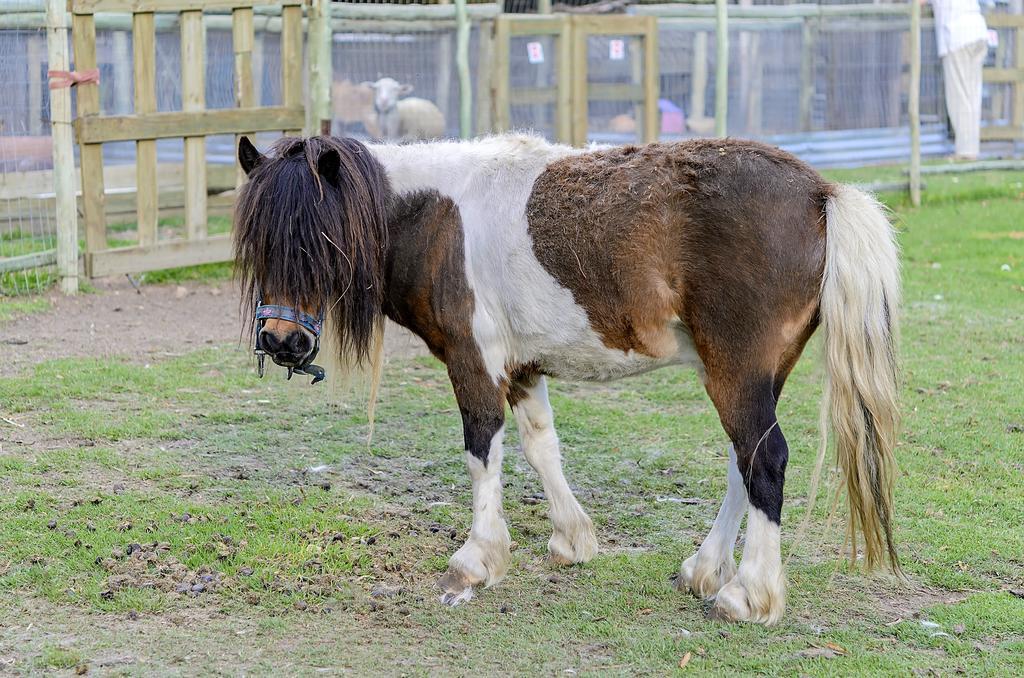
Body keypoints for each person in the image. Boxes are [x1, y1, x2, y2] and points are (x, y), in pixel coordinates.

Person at [928, 0, 990, 160]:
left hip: (957, 36)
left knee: (960, 98)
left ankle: (965, 152)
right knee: (972, 96)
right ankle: (971, 150)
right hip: (977, 30)